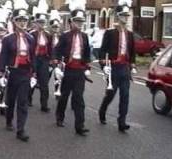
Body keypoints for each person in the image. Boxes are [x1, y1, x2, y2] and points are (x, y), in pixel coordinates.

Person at [0, 8, 36, 142]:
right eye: (19, 20)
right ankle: (9, 120)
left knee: (23, 101)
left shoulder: (31, 38)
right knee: (11, 99)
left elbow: (33, 56)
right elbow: (3, 56)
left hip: (25, 72)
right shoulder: (8, 38)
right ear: (15, 22)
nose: (22, 23)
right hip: (13, 72)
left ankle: (21, 130)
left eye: (24, 20)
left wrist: (34, 73)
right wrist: (1, 72)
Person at [98, 4, 137, 132]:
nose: (125, 18)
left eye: (127, 15)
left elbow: (132, 52)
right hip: (113, 67)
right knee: (110, 94)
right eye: (123, 15)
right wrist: (104, 65)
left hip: (124, 68)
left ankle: (122, 122)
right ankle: (102, 110)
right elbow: (102, 50)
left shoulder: (130, 34)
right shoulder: (110, 33)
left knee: (125, 96)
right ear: (118, 16)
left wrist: (132, 65)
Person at [52, 8, 91, 136]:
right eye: (77, 21)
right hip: (68, 69)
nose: (79, 24)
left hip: (79, 70)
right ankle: (59, 117)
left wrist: (87, 67)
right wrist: (57, 63)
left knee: (79, 98)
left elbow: (87, 54)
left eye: (81, 21)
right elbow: (56, 51)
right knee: (64, 96)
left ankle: (80, 126)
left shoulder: (85, 36)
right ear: (71, 22)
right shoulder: (65, 36)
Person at [28, 12, 52, 112]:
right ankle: (28, 99)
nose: (41, 24)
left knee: (44, 82)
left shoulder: (48, 35)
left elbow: (51, 48)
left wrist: (51, 60)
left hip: (44, 59)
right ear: (36, 23)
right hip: (34, 59)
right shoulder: (31, 34)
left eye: (43, 22)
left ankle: (44, 104)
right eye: (39, 22)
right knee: (32, 79)